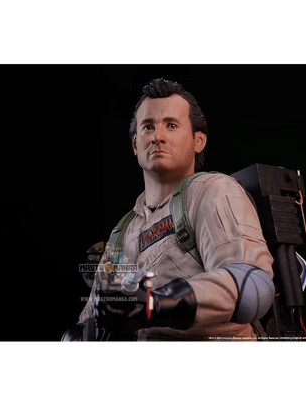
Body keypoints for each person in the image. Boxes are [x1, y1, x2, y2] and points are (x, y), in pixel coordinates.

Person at [62, 78, 275, 344]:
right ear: (135, 144)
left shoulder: (212, 191)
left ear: (198, 140)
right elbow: (92, 316)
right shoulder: (124, 231)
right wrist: (79, 333)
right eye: (148, 127)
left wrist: (156, 305)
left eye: (171, 125)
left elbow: (252, 286)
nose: (158, 136)